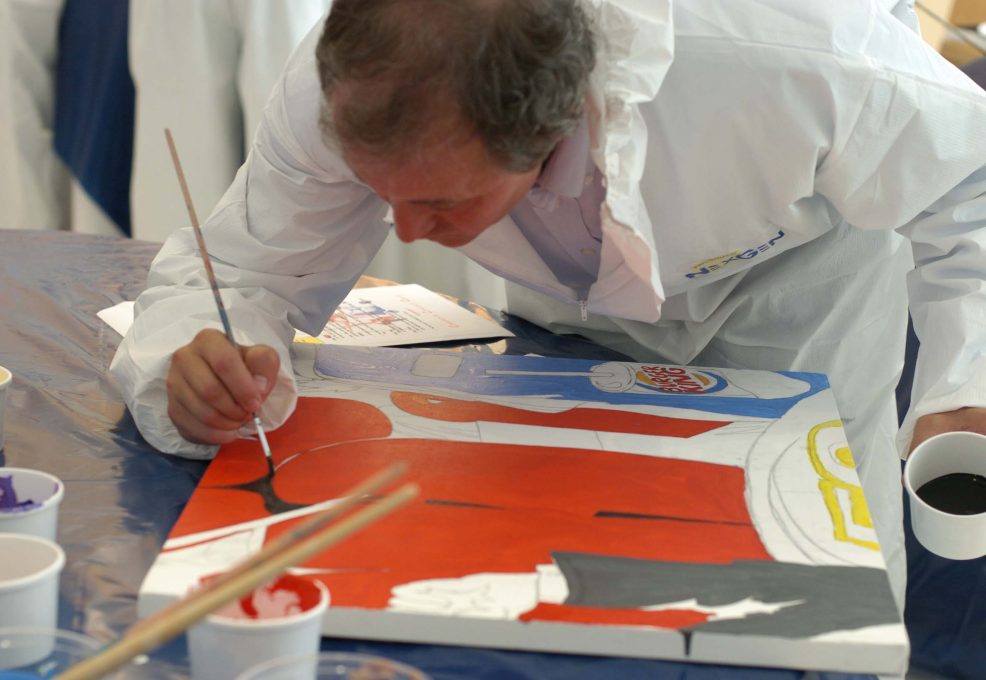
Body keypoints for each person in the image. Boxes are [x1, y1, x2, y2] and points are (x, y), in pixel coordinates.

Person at [111, 0, 986, 614]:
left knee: (811, 592)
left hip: (803, 282)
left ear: (556, 128)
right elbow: (246, 270)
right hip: (570, 308)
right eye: (387, 194)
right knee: (566, 577)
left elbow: (971, 186)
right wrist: (206, 349)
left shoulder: (799, 60)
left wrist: (965, 382)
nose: (404, 230)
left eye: (442, 204)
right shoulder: (343, 86)